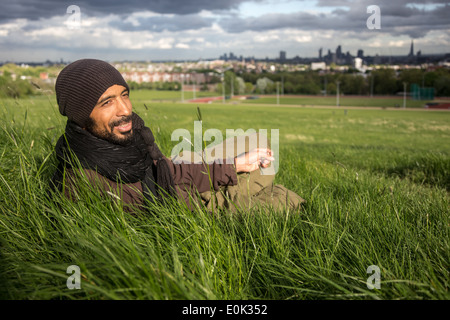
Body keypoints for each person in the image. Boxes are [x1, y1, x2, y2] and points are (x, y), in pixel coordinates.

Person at [51, 59, 305, 213]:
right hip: (192, 206)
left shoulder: (128, 138)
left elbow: (166, 171)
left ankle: (249, 177)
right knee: (283, 194)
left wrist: (234, 165)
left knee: (258, 142)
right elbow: (162, 208)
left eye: (124, 95)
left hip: (178, 178)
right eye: (107, 102)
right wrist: (224, 181)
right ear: (81, 116)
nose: (126, 110)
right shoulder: (85, 179)